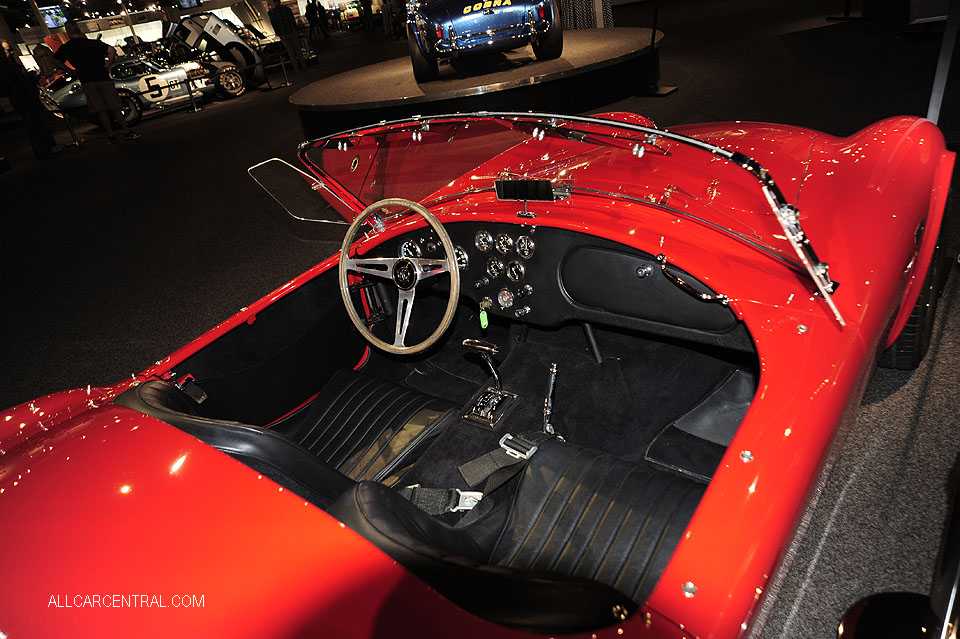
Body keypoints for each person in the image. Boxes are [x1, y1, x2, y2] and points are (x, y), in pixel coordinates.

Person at [51, 22, 140, 143]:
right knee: (115, 107)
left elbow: (55, 61)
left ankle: (110, 134)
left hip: (87, 81)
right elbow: (111, 51)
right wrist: (108, 64)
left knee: (100, 110)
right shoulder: (94, 43)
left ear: (68, 33)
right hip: (103, 78)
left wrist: (71, 71)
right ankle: (126, 130)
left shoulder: (67, 47)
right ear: (79, 30)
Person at [0, 40, 61, 160]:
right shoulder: (7, 66)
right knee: (36, 123)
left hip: (21, 97)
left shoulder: (8, 65)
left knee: (33, 124)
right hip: (24, 97)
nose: (9, 53)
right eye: (6, 50)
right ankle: (45, 149)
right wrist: (30, 80)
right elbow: (17, 83)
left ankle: (43, 149)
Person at [268, 0, 306, 72]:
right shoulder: (287, 9)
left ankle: (296, 68)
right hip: (291, 31)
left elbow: (274, 25)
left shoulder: (272, 13)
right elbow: (292, 20)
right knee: (298, 50)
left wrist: (278, 34)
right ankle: (304, 65)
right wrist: (295, 30)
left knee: (290, 52)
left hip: (283, 34)